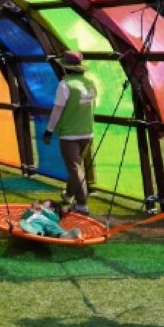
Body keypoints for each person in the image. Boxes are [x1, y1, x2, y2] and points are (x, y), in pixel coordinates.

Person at [43, 51, 97, 215]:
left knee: (74, 168)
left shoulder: (65, 85)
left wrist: (49, 130)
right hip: (87, 132)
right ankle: (68, 195)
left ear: (65, 68)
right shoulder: (90, 82)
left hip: (69, 134)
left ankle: (82, 203)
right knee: (76, 166)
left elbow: (57, 110)